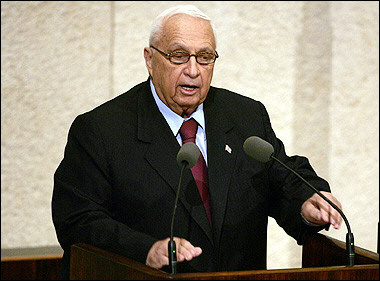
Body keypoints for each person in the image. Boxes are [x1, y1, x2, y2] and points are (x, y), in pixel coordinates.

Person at [52, 5, 343, 279]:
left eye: (204, 57)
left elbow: (281, 178)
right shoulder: (102, 130)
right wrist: (146, 251)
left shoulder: (245, 116)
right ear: (150, 59)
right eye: (179, 55)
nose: (193, 70)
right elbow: (77, 221)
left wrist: (306, 202)